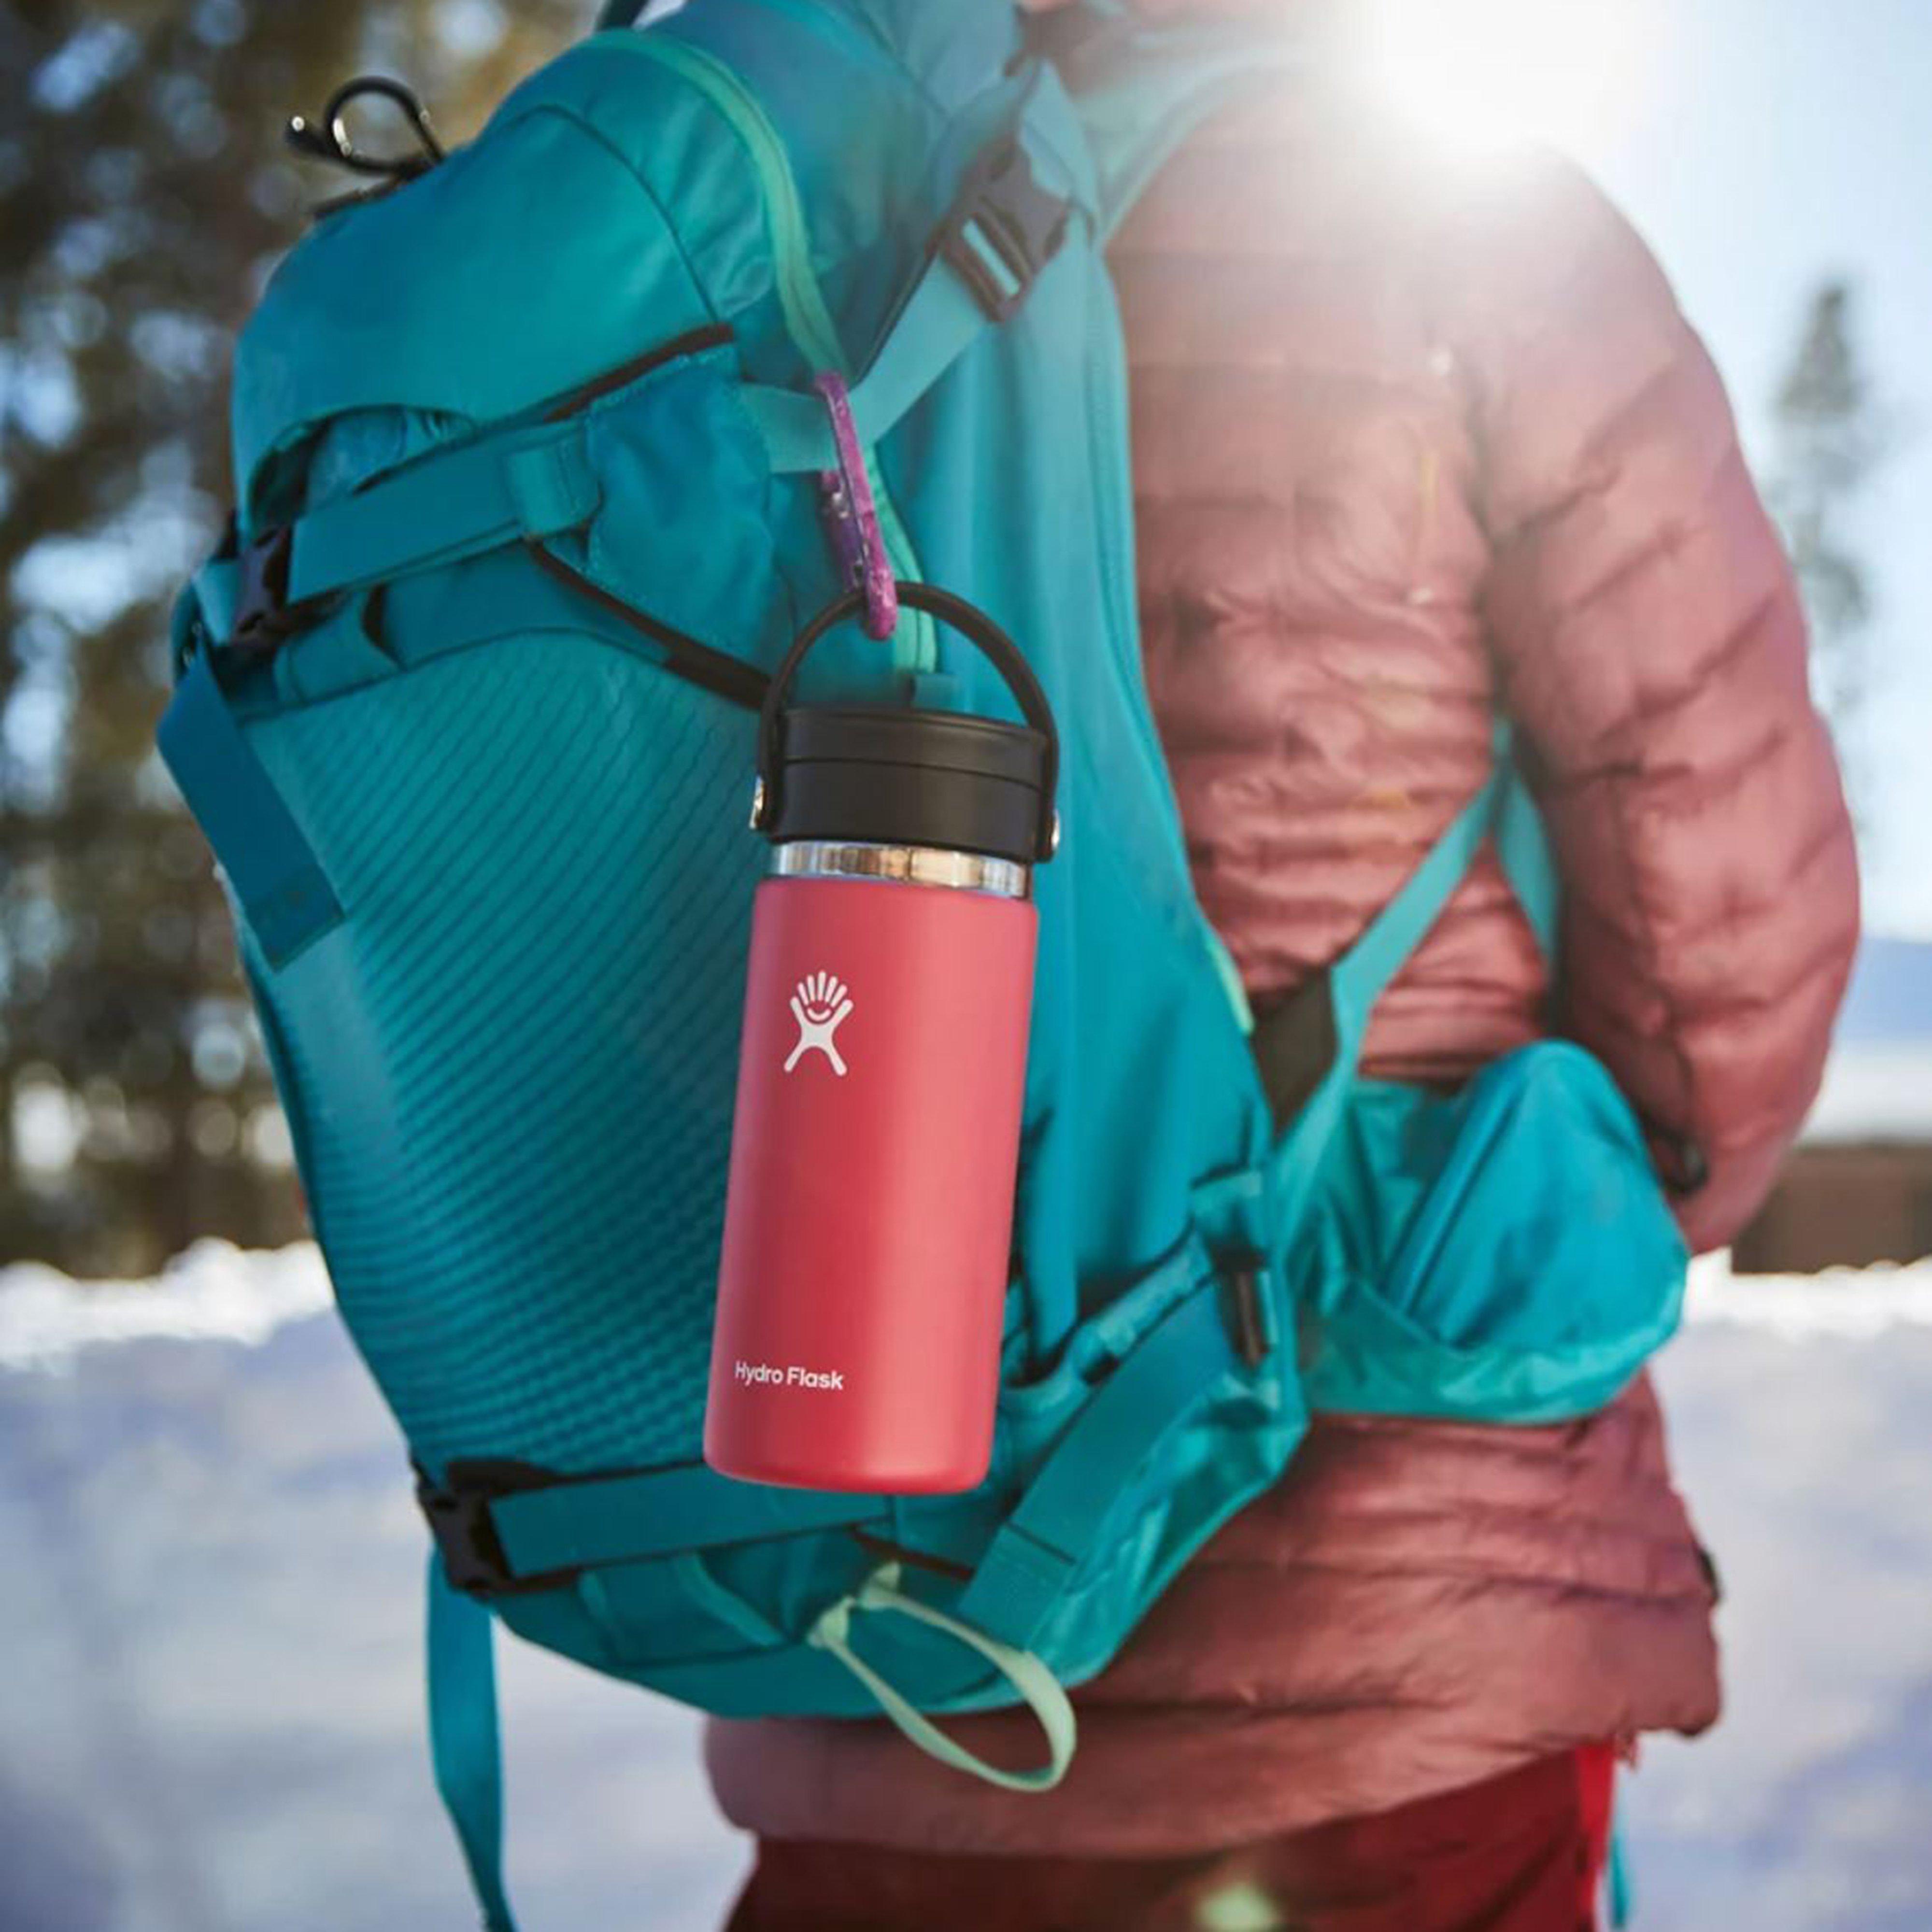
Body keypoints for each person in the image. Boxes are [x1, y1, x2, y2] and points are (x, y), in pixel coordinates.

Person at [710, 5, 1861, 1926]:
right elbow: (1727, 924)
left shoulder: (814, 240)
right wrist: (1535, 1215)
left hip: (884, 1627)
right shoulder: (1480, 227)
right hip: (1398, 1609)